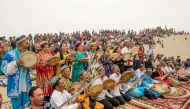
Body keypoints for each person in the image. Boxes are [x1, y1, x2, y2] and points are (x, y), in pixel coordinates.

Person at [1, 35, 34, 109]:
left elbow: (32, 71)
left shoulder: (28, 54)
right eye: (26, 41)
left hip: (26, 85)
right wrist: (16, 63)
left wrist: (32, 67)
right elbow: (4, 69)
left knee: (27, 106)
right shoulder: (10, 54)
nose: (28, 42)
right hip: (15, 87)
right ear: (20, 43)